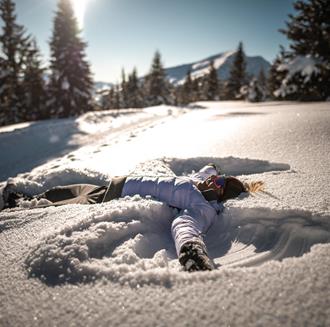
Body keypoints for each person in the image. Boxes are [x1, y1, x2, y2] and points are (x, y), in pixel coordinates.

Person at [0, 163, 260, 272]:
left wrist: (191, 249)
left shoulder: (201, 206)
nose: (215, 179)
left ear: (220, 194)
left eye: (220, 182)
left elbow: (185, 225)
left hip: (114, 196)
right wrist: (215, 168)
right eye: (218, 176)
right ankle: (29, 198)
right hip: (120, 182)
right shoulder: (199, 182)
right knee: (71, 190)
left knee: (70, 199)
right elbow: (207, 168)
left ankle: (23, 204)